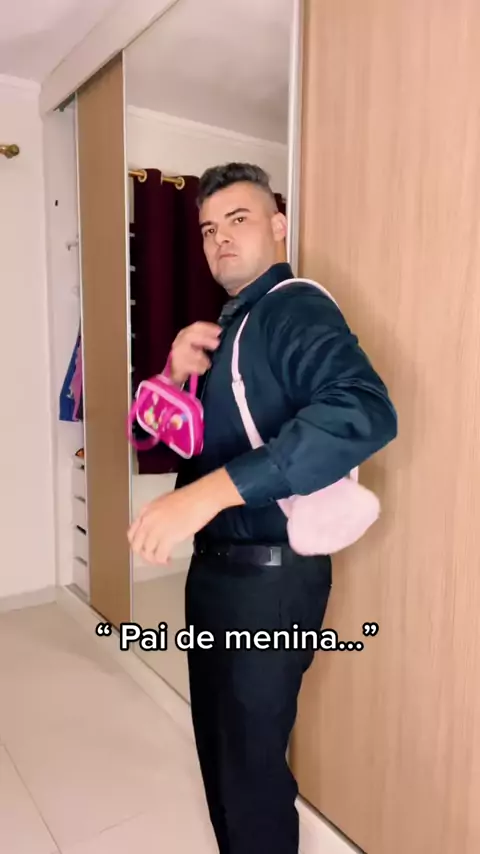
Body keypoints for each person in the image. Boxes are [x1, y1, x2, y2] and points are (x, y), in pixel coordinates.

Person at [128, 162, 397, 854]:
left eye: (238, 219)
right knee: (222, 750)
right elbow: (166, 437)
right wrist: (172, 374)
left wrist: (200, 497)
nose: (219, 238)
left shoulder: (293, 307)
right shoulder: (227, 329)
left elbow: (363, 411)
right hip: (219, 572)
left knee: (248, 770)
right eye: (208, 228)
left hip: (268, 583)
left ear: (278, 225)